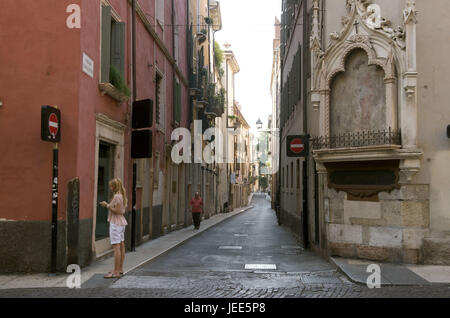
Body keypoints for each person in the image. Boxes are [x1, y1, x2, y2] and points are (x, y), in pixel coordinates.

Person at [100, 178, 128, 279]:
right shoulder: (122, 195)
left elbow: (117, 210)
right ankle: (120, 269)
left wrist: (106, 205)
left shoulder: (117, 196)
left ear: (114, 187)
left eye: (111, 186)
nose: (110, 188)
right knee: (121, 246)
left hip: (116, 223)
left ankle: (116, 272)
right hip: (121, 222)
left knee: (116, 247)